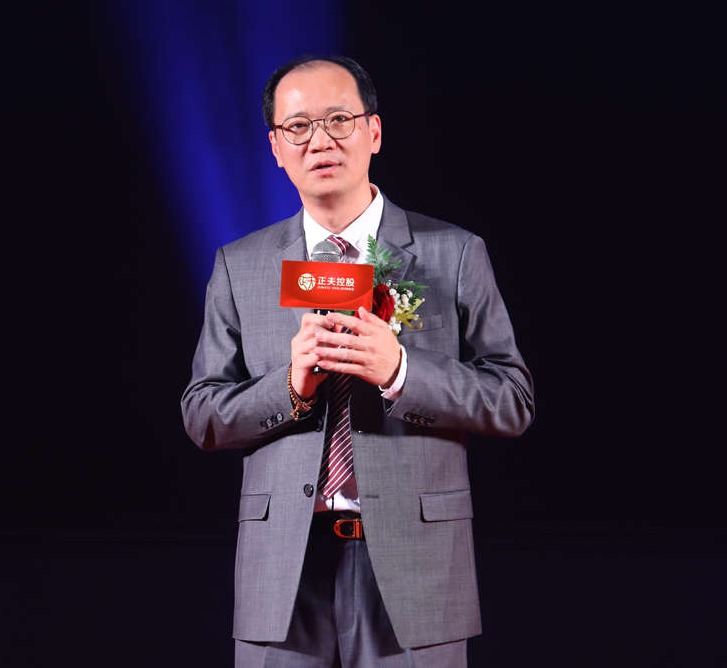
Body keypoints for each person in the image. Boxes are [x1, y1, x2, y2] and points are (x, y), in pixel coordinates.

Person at [182, 55, 534, 667]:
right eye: (298, 127)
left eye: (339, 120)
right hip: (284, 569)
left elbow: (512, 399)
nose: (320, 140)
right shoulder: (241, 265)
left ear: (373, 131)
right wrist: (290, 386)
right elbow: (202, 414)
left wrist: (401, 371)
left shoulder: (453, 253)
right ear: (276, 148)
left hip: (416, 565)